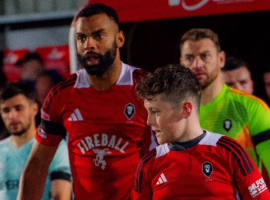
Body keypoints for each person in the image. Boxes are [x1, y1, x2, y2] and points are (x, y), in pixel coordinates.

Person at [17, 3, 156, 200]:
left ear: (120, 39)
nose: (88, 45)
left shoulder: (147, 89)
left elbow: (166, 159)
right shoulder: (62, 96)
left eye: (98, 36)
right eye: (82, 38)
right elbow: (37, 166)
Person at [132, 64, 270, 199]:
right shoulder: (148, 164)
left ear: (185, 109)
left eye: (155, 112)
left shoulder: (230, 152)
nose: (149, 121)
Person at [179, 28, 270, 182]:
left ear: (221, 59)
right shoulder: (172, 111)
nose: (197, 64)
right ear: (181, 63)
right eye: (189, 58)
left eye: (205, 56)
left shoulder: (252, 107)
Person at [0, 82, 72, 200]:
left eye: (18, 108)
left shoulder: (54, 148)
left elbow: (61, 196)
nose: (12, 116)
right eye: (6, 110)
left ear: (34, 108)